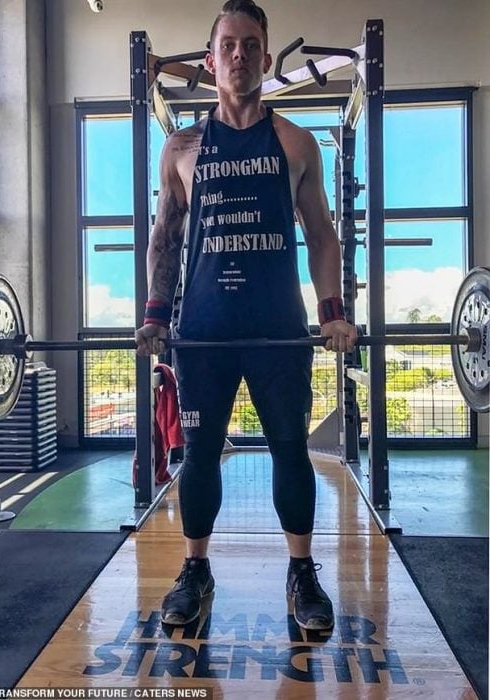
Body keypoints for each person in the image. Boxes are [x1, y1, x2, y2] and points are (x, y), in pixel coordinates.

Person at [135, 0, 358, 631]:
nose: (240, 55)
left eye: (251, 45)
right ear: (211, 61)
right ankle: (195, 569)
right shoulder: (181, 147)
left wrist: (333, 312)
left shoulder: (295, 142)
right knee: (199, 455)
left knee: (290, 449)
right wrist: (155, 316)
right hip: (203, 333)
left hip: (277, 330)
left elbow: (321, 235)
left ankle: (301, 571)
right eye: (228, 45)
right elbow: (165, 237)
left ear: (264, 56)